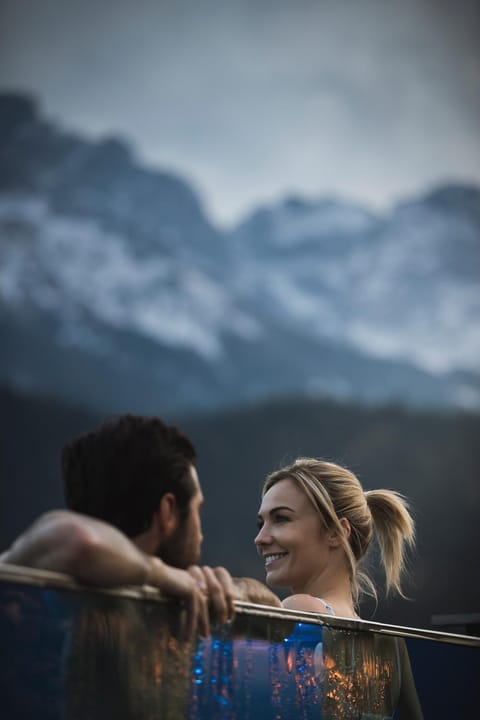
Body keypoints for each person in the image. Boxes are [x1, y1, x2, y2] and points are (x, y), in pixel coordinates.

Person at [1, 414, 280, 637]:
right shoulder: (30, 589)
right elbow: (76, 539)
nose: (200, 530)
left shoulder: (176, 599)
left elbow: (281, 624)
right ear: (168, 511)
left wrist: (234, 591)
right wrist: (159, 573)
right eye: (198, 509)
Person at [255, 457, 423, 719]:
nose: (261, 538)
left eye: (281, 519)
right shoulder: (391, 643)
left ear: (336, 532)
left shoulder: (301, 610)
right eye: (261, 523)